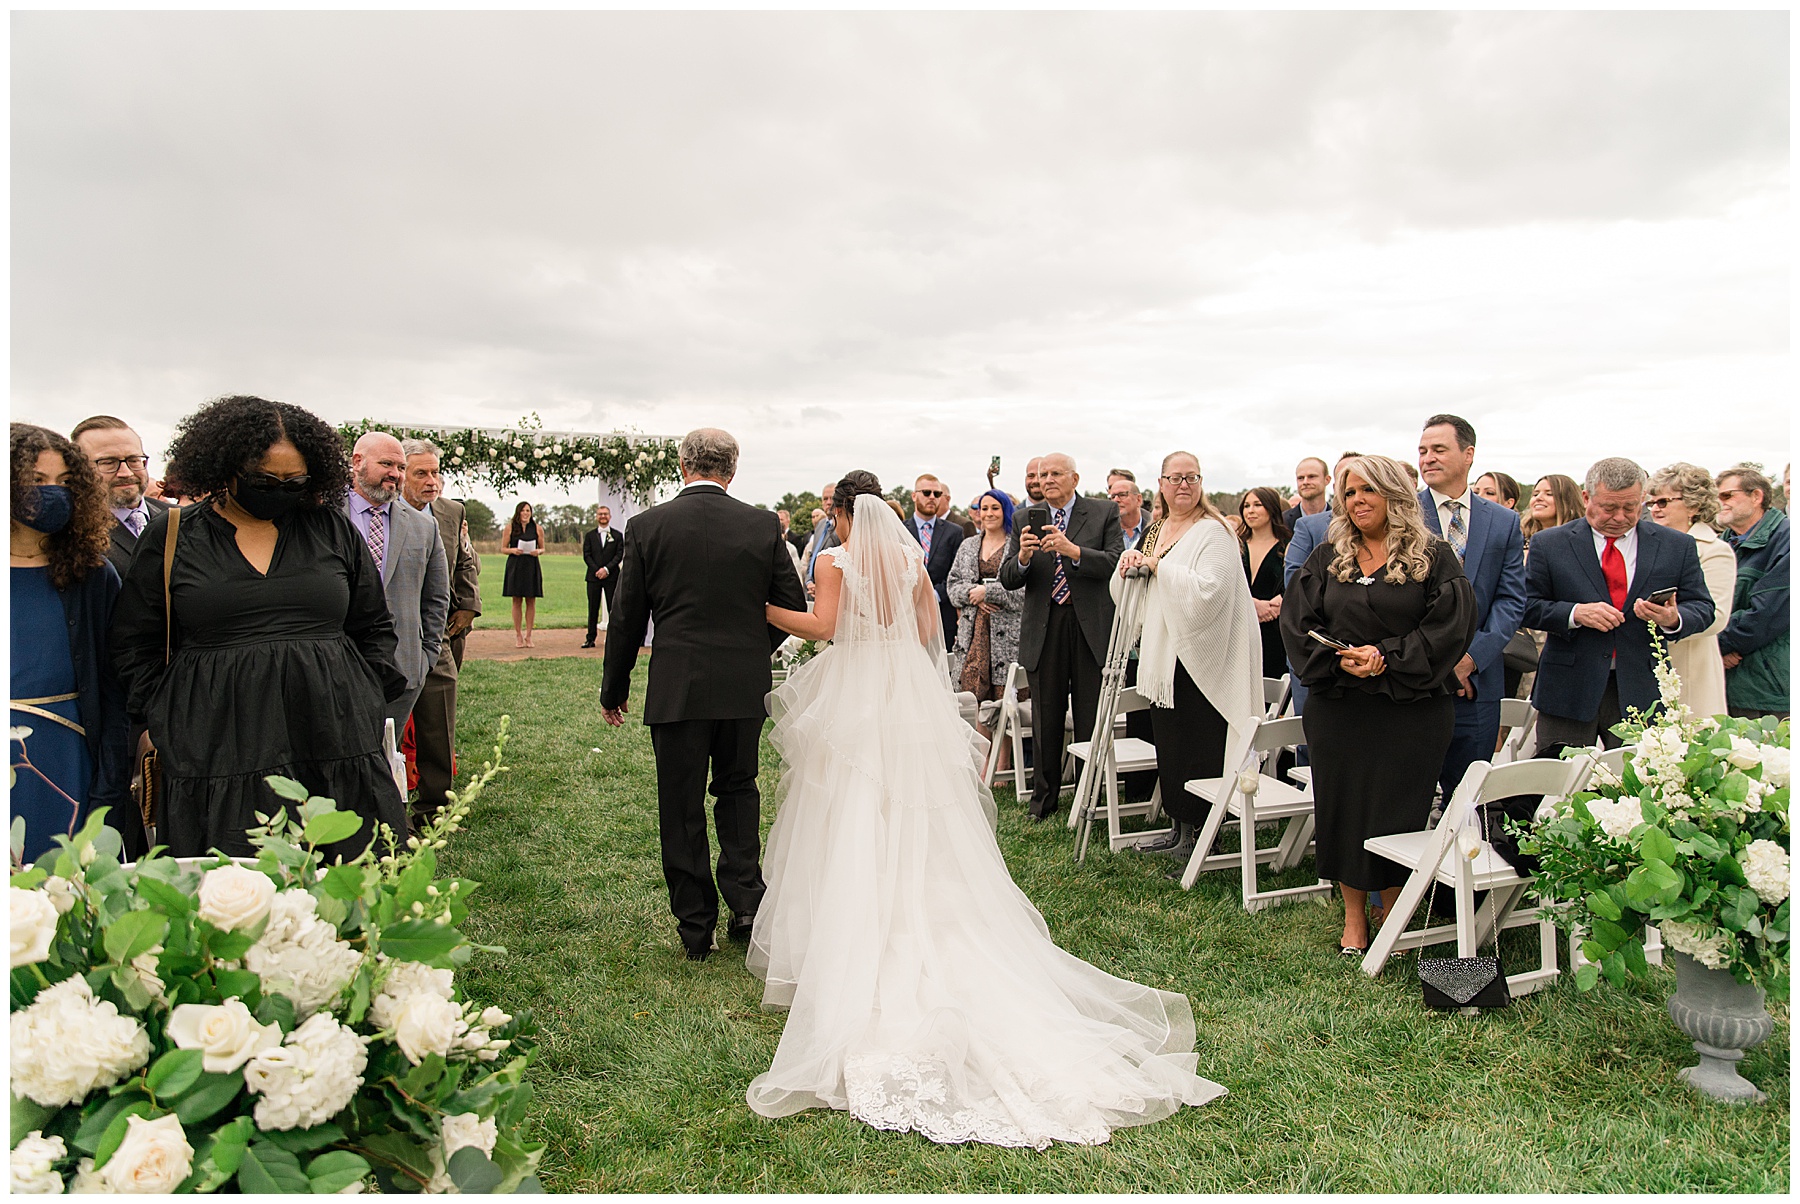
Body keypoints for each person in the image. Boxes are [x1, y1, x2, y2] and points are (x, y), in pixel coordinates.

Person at [751, 483, 1224, 1145]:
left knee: (849, 809)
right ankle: (916, 905)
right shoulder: (913, 564)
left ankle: (853, 931)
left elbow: (826, 628)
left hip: (856, 692)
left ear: (839, 517)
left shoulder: (834, 562)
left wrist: (768, 610)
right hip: (904, 695)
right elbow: (924, 634)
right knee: (915, 812)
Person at [110, 395, 407, 861]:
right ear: (225, 468)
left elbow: (373, 627)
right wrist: (166, 718)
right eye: (265, 480)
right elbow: (134, 642)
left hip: (333, 736)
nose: (280, 490)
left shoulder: (331, 529)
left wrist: (362, 696)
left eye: (295, 480)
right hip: (214, 748)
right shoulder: (172, 535)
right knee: (230, 898)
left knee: (346, 889)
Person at [600, 429, 807, 962]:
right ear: (732, 470)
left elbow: (626, 617)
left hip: (677, 685)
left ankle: (696, 926)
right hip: (743, 685)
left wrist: (614, 688)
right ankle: (745, 905)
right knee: (738, 789)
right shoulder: (762, 524)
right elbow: (789, 602)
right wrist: (749, 650)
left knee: (681, 803)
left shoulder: (647, 526)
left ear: (682, 465)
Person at [1280, 454, 1478, 955]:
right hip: (1340, 705)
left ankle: (1393, 906)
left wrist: (1386, 657)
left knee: (1397, 808)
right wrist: (1343, 658)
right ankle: (1353, 914)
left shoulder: (1433, 556)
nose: (1357, 501)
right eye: (1349, 493)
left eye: (1368, 490)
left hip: (1409, 708)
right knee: (1342, 806)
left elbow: (1449, 626)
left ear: (1395, 494)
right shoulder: (1328, 556)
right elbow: (1299, 623)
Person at [1120, 454, 1262, 860]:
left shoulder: (1214, 531)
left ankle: (1203, 833)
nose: (1183, 484)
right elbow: (1140, 572)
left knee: (1198, 744)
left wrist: (1158, 569)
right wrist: (1133, 562)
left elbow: (1211, 590)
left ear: (1201, 483)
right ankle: (1177, 826)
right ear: (1160, 484)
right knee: (1170, 743)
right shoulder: (1157, 528)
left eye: (1191, 477)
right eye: (1175, 478)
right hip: (1164, 656)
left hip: (1202, 655)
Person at [1522, 457, 1713, 751]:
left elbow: (1702, 607)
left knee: (1640, 786)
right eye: (1609, 508)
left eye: (1631, 507)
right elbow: (1527, 606)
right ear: (1587, 498)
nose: (1620, 516)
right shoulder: (1550, 544)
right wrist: (1575, 613)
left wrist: (1672, 618)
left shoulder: (1676, 545)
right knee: (1558, 786)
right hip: (1568, 688)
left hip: (1642, 688)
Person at [11, 424, 132, 864]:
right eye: (37, 481)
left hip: (65, 753)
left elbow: (114, 686)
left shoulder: (93, 575)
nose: (52, 493)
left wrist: (110, 781)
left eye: (64, 482)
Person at [998, 453, 1124, 821]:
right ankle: (1044, 802)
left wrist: (1073, 550)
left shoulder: (1102, 512)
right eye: (1041, 474)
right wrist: (1021, 556)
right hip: (1044, 626)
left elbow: (1115, 562)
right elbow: (1008, 578)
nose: (1047, 479)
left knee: (1088, 716)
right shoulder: (1024, 518)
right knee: (1046, 717)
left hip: (1088, 627)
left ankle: (1088, 801)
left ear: (1074, 478)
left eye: (1055, 473)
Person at [1416, 414, 1526, 805]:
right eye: (1423, 450)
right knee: (1409, 791)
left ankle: (1462, 863)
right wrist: (1437, 660)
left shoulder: (1504, 522)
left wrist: (1470, 659)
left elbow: (1511, 601)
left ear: (1468, 454)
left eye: (1439, 449)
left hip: (1476, 684)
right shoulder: (1403, 515)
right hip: (1415, 681)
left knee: (1467, 799)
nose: (1427, 458)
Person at [399, 439, 481, 826]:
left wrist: (468, 605)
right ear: (401, 476)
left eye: (436, 472)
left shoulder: (451, 512)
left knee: (438, 720)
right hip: (389, 631)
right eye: (422, 474)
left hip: (439, 632)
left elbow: (465, 559)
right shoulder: (384, 512)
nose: (433, 481)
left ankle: (434, 807)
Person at [346, 432, 448, 733]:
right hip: (336, 669)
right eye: (387, 464)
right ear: (357, 462)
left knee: (387, 758)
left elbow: (436, 598)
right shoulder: (324, 517)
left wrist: (425, 658)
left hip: (403, 672)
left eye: (401, 467)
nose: (396, 474)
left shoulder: (424, 526)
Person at [1645, 463, 1733, 720]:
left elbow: (1716, 616)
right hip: (1644, 668)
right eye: (1651, 503)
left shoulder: (1713, 550)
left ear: (1694, 505)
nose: (1655, 509)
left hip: (1689, 671)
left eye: (1663, 501)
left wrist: (1673, 619)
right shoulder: (1647, 545)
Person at [947, 489, 1025, 762]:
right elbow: (952, 585)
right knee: (978, 697)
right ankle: (983, 759)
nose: (988, 514)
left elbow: (1024, 593)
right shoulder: (968, 545)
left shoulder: (1017, 545)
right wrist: (974, 595)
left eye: (995, 508)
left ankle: (1002, 764)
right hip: (975, 632)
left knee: (1004, 697)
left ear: (1006, 511)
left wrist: (989, 594)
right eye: (984, 508)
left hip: (1008, 634)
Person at [1715, 464, 1789, 719]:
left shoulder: (1787, 540)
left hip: (1769, 690)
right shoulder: (1721, 545)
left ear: (1756, 496)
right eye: (1717, 496)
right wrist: (1714, 649)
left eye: (1727, 495)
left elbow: (1765, 615)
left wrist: (1716, 644)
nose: (1720, 503)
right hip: (1726, 684)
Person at [70, 415, 170, 580]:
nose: (126, 473)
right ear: (79, 470)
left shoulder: (182, 518)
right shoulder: (74, 530)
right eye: (108, 462)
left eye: (134, 460)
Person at [906, 473, 966, 647]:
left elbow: (957, 573)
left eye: (937, 494)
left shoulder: (954, 532)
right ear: (914, 495)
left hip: (942, 613)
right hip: (907, 614)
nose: (932, 497)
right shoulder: (900, 529)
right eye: (926, 493)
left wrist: (933, 594)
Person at [1237, 486, 1291, 678]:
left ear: (1271, 508)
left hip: (1274, 630)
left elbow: (1295, 583)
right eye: (1246, 506)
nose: (1250, 511)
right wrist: (1252, 604)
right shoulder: (1235, 545)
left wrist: (1283, 600)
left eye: (1257, 505)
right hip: (1239, 629)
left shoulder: (1288, 546)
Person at [501, 502, 545, 648]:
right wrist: (513, 550)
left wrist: (538, 551)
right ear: (518, 512)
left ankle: (529, 635)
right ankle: (518, 635)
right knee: (517, 600)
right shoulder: (510, 528)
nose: (525, 513)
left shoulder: (537, 528)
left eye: (528, 510)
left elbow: (543, 548)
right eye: (523, 510)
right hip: (516, 565)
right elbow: (503, 548)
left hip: (531, 565)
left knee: (531, 600)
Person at [582, 505, 624, 648]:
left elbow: (619, 555)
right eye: (600, 514)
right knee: (593, 608)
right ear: (596, 517)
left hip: (611, 577)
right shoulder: (589, 536)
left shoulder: (617, 536)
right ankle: (590, 638)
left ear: (610, 516)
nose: (603, 516)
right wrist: (598, 570)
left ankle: (613, 638)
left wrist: (606, 569)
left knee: (613, 608)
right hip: (593, 577)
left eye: (605, 514)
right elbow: (586, 555)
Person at [1522, 473, 1583, 551]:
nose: (1538, 498)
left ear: (1567, 501)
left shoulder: (1582, 539)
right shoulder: (1518, 538)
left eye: (1549, 494)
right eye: (1535, 494)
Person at [804, 481, 841, 594]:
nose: (829, 502)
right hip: (812, 589)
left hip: (831, 590)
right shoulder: (820, 525)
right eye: (825, 499)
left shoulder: (842, 526)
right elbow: (814, 554)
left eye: (832, 498)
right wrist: (808, 580)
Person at [1282, 457, 1330, 531]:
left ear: (1327, 480)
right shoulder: (1282, 522)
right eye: (1300, 478)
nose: (1305, 482)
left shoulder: (1340, 520)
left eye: (1311, 477)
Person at [1108, 469, 1150, 551]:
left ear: (1138, 499)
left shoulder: (1153, 526)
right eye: (1113, 496)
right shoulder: (1105, 530)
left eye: (1122, 494)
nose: (1116, 500)